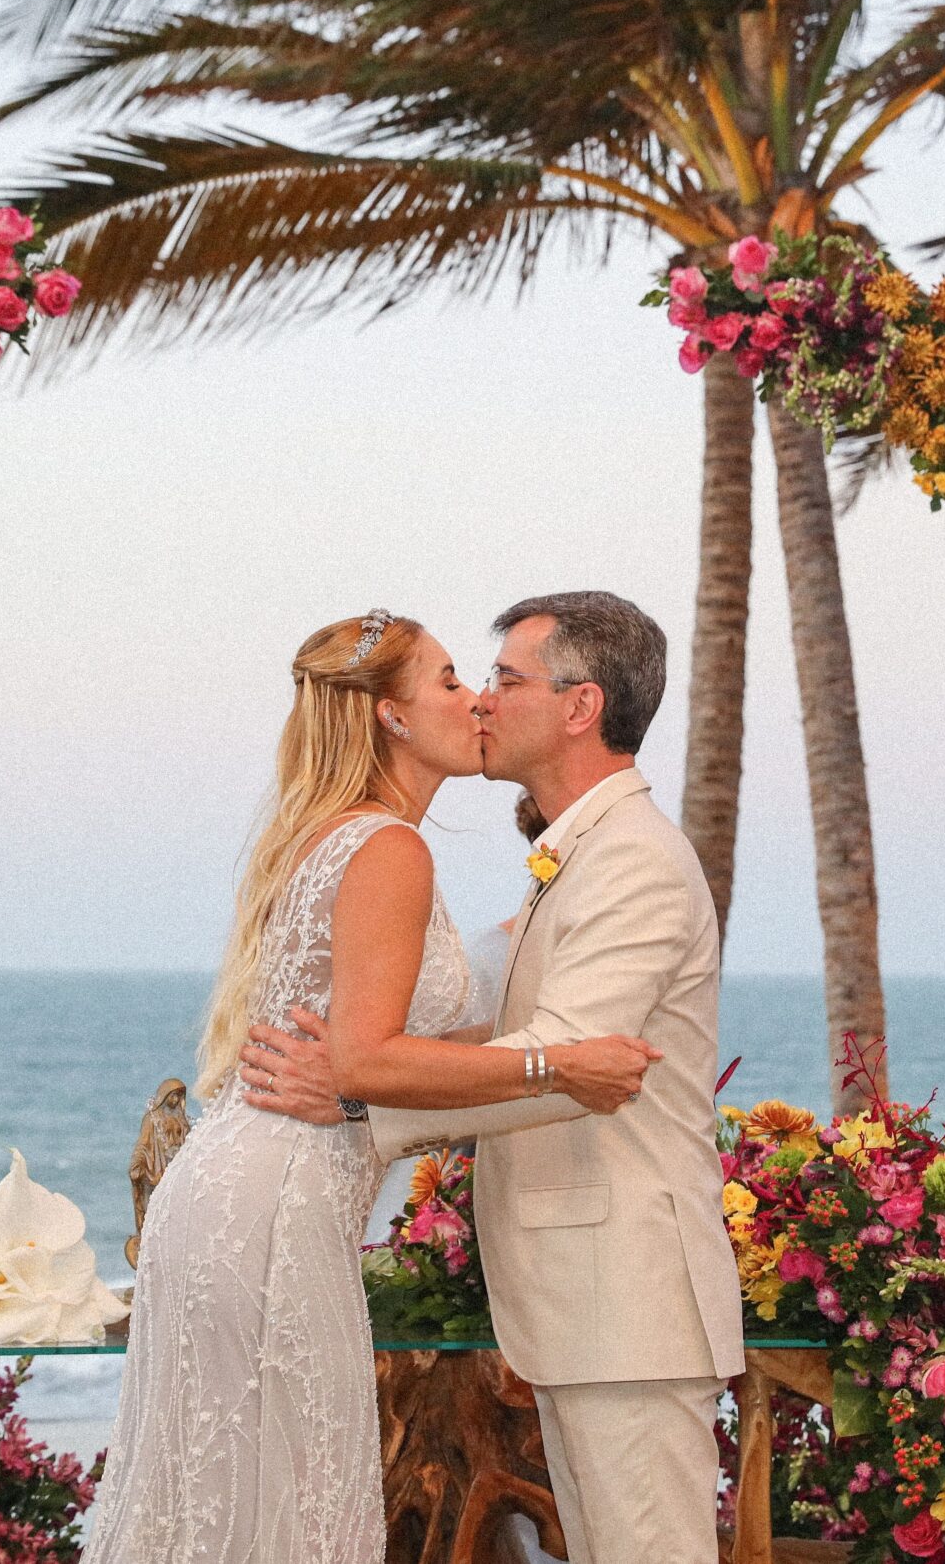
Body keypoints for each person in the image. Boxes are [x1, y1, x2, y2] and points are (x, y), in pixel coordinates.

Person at [83, 610, 660, 1564]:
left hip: (242, 1191)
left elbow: (386, 1045)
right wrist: (557, 1065)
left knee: (233, 1511)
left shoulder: (345, 836)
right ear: (392, 716)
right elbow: (365, 1062)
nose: (476, 699)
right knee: (286, 1512)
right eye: (449, 680)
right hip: (271, 1208)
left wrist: (536, 1005)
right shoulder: (389, 847)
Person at [245, 592, 743, 1564]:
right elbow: (533, 1042)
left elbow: (568, 1066)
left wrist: (354, 1095)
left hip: (628, 1306)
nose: (482, 700)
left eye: (507, 679)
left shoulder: (633, 860)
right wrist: (369, 1070)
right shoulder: (580, 852)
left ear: (580, 706)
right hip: (592, 1312)